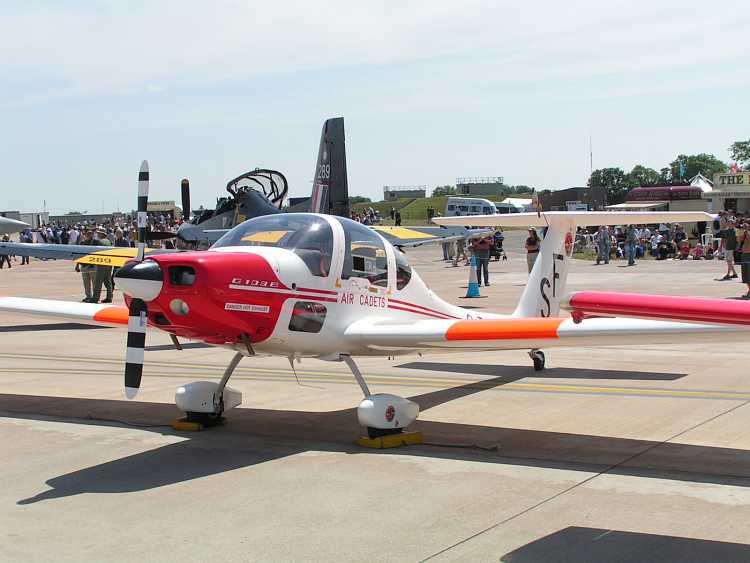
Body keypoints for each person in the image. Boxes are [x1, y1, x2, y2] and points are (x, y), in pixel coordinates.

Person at [739, 222, 750, 299]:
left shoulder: (748, 233)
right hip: (744, 254)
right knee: (745, 275)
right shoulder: (744, 233)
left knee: (749, 274)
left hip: (749, 255)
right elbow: (739, 240)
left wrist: (747, 232)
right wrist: (742, 232)